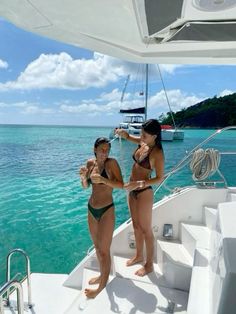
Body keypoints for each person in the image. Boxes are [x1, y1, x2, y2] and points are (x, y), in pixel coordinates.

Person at [115, 119, 164, 277]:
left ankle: (149, 265)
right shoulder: (143, 142)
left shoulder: (157, 153)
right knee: (135, 226)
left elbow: (159, 178)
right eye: (141, 133)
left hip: (144, 193)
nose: (141, 136)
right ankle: (138, 255)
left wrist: (140, 183)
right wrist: (124, 134)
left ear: (154, 136)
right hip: (132, 191)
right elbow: (130, 138)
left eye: (144, 134)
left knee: (146, 229)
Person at [79, 137, 123, 298]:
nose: (105, 153)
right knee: (98, 248)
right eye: (102, 149)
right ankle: (101, 274)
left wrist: (104, 179)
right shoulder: (90, 163)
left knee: (104, 251)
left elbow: (121, 185)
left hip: (106, 210)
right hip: (91, 209)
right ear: (95, 149)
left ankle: (101, 287)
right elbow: (85, 187)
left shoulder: (112, 164)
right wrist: (83, 178)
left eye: (107, 150)